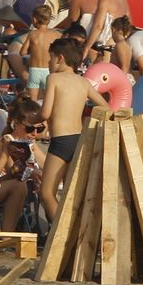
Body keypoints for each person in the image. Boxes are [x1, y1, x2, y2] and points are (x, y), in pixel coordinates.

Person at [38, 38, 107, 221]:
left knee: (46, 193)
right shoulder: (83, 82)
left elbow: (45, 113)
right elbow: (105, 107)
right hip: (79, 140)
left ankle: (58, 232)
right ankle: (69, 232)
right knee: (71, 196)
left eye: (50, 58)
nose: (48, 62)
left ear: (60, 58)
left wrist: (31, 119)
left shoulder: (53, 78)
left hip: (60, 141)